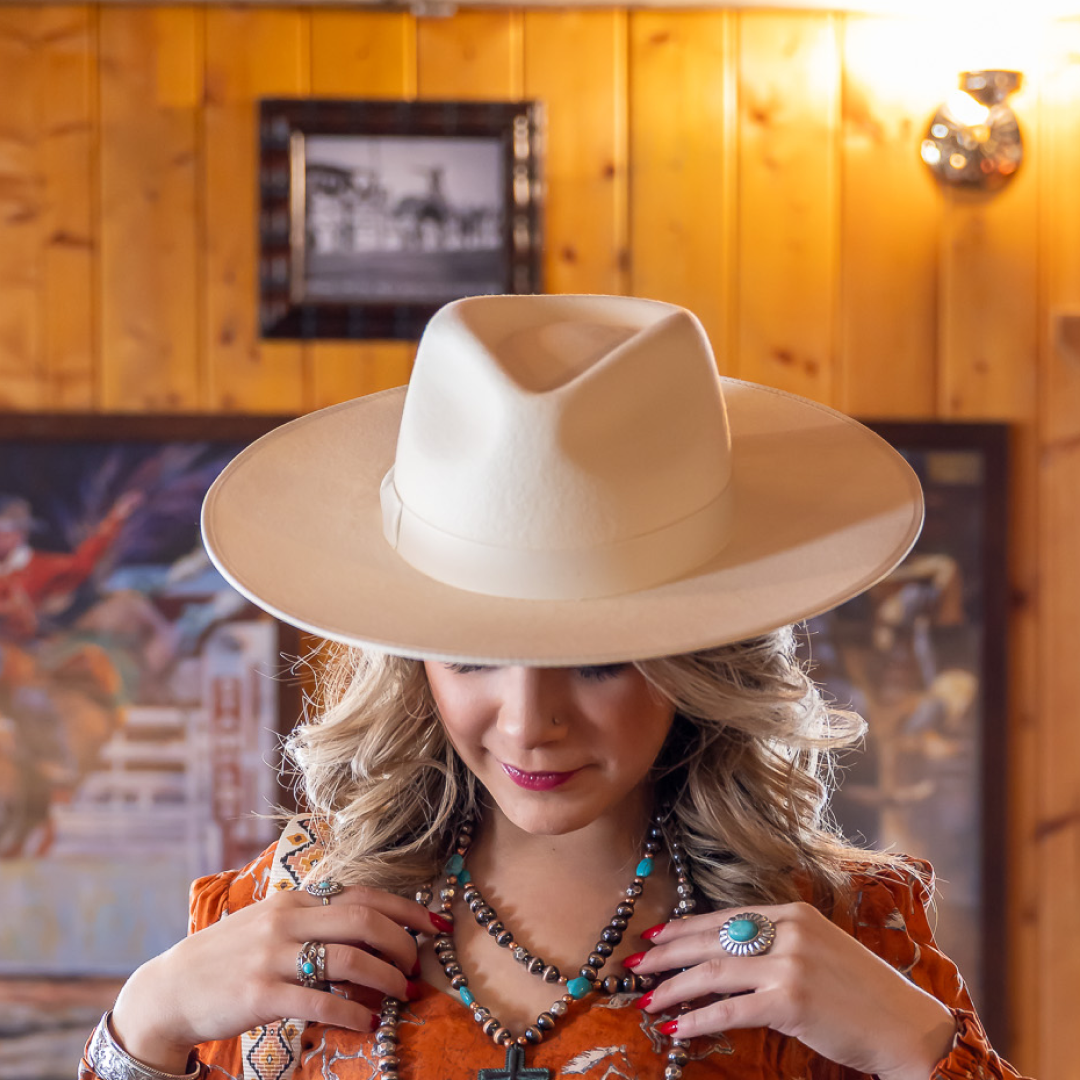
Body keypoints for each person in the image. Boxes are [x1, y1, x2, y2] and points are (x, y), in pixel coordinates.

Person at [80, 295, 1028, 1080]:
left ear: (699, 661)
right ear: (412, 662)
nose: (530, 724)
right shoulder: (276, 917)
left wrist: (917, 1048)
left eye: (598, 661)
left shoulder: (852, 931)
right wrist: (147, 1022)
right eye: (471, 655)